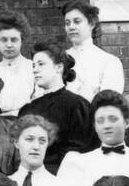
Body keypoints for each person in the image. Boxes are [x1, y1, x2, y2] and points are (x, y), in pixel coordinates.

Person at [21, 41, 95, 172]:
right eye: (33, 65)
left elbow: (82, 150)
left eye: (41, 64)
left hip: (65, 176)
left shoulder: (77, 105)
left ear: (58, 67)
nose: (35, 69)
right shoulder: (28, 109)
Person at [62, 0, 124, 102]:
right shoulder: (58, 60)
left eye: (77, 21)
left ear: (91, 24)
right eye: (67, 23)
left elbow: (108, 103)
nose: (71, 27)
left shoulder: (109, 62)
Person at [0, 12, 35, 114]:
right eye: (4, 40)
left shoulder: (33, 68)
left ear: (22, 41)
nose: (9, 45)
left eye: (14, 40)